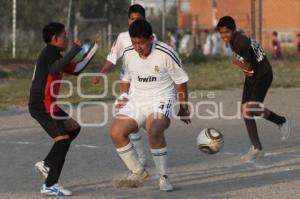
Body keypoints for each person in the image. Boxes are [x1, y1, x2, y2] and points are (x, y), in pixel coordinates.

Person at [111, 20, 190, 191]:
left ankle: (163, 177)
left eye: (141, 43)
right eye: (134, 42)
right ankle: (138, 171)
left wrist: (184, 107)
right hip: (137, 99)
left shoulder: (166, 53)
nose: (137, 47)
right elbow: (126, 77)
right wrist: (124, 96)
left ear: (151, 39)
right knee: (116, 132)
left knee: (153, 128)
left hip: (162, 99)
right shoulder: (129, 54)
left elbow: (181, 82)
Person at [29, 22, 98, 196]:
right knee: (63, 140)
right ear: (55, 38)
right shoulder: (50, 52)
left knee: (73, 129)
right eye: (64, 35)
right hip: (42, 104)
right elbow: (55, 68)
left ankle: (47, 164)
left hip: (48, 103)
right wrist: (74, 49)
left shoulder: (56, 55)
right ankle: (50, 184)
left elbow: (76, 69)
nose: (66, 38)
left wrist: (91, 50)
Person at [217, 16, 291, 162]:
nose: (224, 35)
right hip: (252, 76)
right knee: (245, 109)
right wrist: (242, 66)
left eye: (226, 32)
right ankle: (256, 147)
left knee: (251, 108)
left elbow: (248, 67)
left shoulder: (240, 42)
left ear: (234, 30)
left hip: (263, 75)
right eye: (221, 33)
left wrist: (236, 61)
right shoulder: (235, 41)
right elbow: (250, 70)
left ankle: (281, 121)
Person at [93, 4, 148, 166]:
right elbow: (112, 58)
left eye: (138, 20)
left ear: (144, 20)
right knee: (127, 117)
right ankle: (140, 156)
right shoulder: (123, 37)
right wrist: (101, 73)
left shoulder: (151, 37)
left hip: (145, 83)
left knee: (147, 121)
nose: (134, 22)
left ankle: (151, 145)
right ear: (128, 20)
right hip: (127, 82)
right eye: (132, 19)